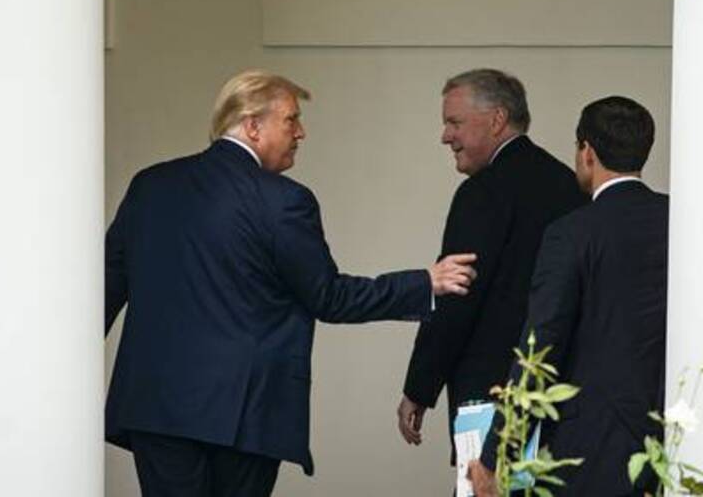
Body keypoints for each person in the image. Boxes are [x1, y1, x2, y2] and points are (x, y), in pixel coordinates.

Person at [105, 70, 478, 497]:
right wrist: (425, 282)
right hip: (242, 414)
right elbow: (329, 297)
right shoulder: (282, 200)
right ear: (251, 125)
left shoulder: (150, 186)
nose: (301, 132)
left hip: (155, 409)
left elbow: (103, 290)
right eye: (291, 120)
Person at [470, 96, 669, 497]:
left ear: (586, 152)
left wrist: (498, 457)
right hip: (672, 435)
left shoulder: (572, 233)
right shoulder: (678, 221)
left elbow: (540, 345)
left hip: (589, 448)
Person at [396, 70, 585, 462]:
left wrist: (419, 387)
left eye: (454, 122)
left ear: (497, 119)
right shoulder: (570, 186)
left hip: (488, 399)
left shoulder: (480, 193)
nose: (445, 136)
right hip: (562, 400)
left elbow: (455, 296)